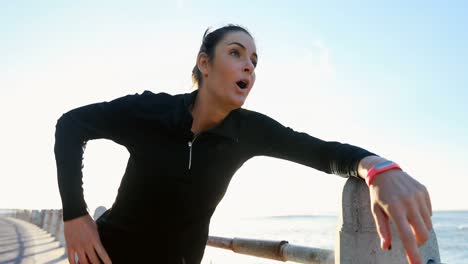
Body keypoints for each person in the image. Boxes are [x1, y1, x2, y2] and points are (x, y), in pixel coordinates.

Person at [54, 24, 432, 264]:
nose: (249, 65)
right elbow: (71, 125)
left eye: (254, 59)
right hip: (106, 254)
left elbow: (321, 151)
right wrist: (75, 214)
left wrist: (378, 168)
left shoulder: (248, 131)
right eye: (236, 53)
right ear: (204, 63)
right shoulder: (152, 110)